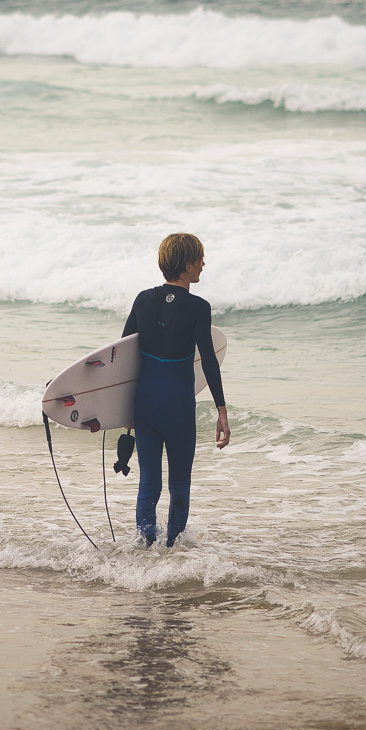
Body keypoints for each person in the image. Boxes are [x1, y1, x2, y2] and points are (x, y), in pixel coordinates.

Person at [118, 232, 229, 547]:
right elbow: (208, 361)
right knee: (179, 485)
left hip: (146, 406)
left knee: (148, 485)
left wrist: (123, 409)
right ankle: (175, 556)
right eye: (200, 260)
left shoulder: (143, 299)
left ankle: (142, 552)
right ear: (187, 265)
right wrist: (221, 410)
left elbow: (123, 356)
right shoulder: (198, 307)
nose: (203, 265)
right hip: (179, 408)